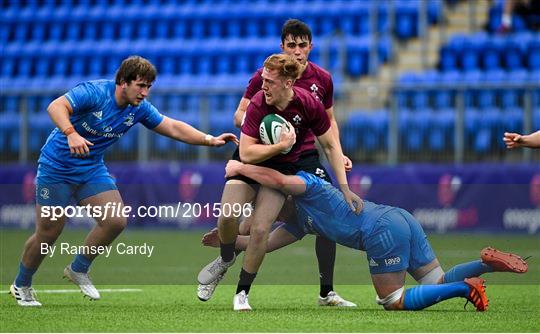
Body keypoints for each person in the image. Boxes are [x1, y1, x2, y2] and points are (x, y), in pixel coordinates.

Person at [9, 56, 238, 307]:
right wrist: (71, 134)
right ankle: (22, 284)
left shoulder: (139, 108)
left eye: (149, 87)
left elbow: (171, 126)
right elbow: (55, 106)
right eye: (140, 85)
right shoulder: (94, 92)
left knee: (115, 220)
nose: (145, 92)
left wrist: (208, 139)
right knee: (48, 233)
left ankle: (78, 268)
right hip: (56, 167)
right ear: (122, 82)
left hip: (90, 168)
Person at [208, 159, 529, 311]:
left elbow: (278, 177)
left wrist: (241, 167)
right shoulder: (297, 224)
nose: (270, 213)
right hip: (399, 218)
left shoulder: (309, 186)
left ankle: (465, 290)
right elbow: (263, 244)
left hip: (380, 231)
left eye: (272, 206)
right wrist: (228, 241)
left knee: (391, 300)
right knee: (434, 282)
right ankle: (485, 264)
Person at [197, 19, 356, 307]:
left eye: (302, 45)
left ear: (310, 46)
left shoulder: (320, 84)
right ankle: (227, 255)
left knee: (323, 216)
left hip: (300, 157)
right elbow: (240, 117)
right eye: (291, 45)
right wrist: (264, 130)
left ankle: (325, 291)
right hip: (260, 149)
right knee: (231, 216)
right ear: (283, 46)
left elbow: (329, 125)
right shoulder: (263, 81)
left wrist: (338, 154)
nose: (297, 51)